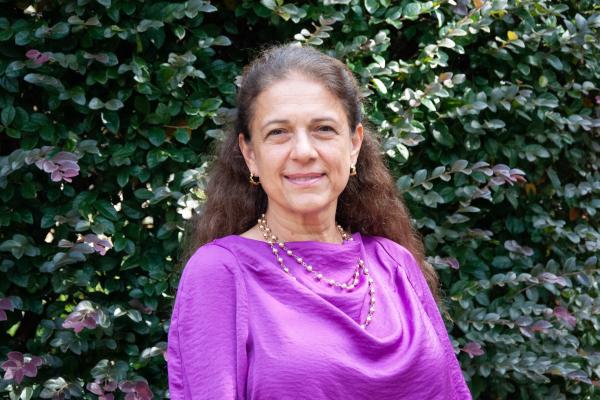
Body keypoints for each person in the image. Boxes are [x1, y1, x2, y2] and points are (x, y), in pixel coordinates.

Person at [167, 44, 472, 399]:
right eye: (278, 132)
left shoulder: (395, 263)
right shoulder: (220, 273)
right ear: (250, 154)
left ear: (354, 145)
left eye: (323, 129)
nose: (303, 151)